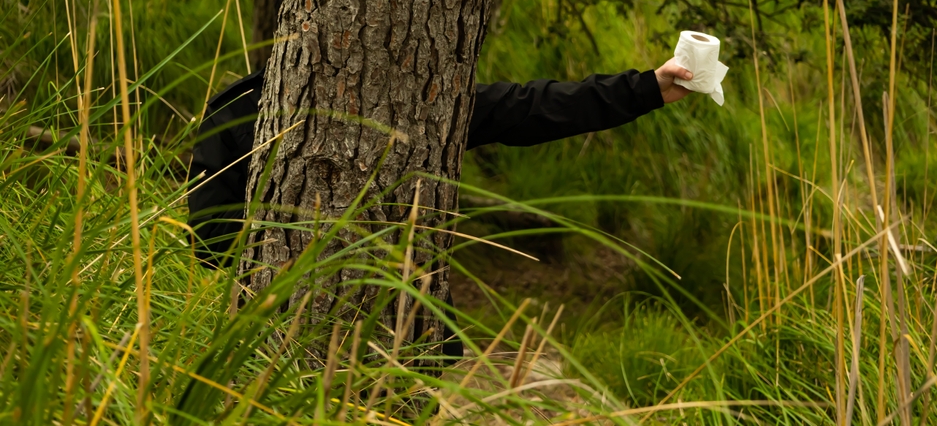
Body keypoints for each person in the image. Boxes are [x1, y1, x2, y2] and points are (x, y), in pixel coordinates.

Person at [187, 58, 693, 355]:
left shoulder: (415, 97)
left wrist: (647, 87)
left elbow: (531, 107)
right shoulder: (243, 111)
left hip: (406, 343)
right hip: (280, 345)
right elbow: (209, 240)